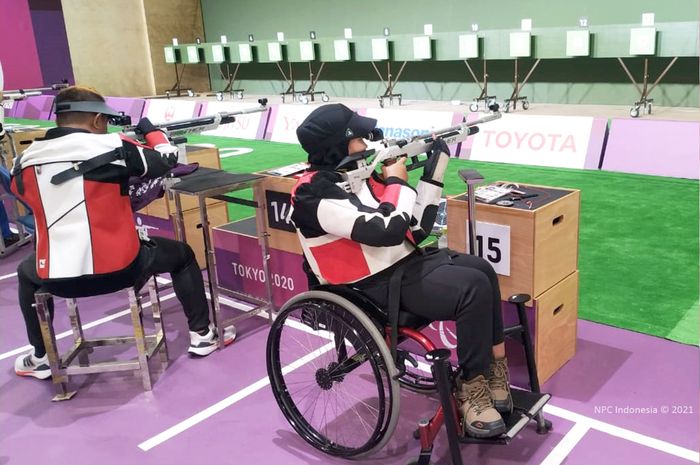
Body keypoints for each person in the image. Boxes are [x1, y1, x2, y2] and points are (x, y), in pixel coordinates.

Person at [291, 103, 511, 438]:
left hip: (401, 267)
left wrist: (434, 170)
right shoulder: (311, 193)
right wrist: (396, 181)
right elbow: (387, 230)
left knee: (482, 270)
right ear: (339, 143)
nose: (366, 142)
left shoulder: (359, 176)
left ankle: (493, 375)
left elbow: (417, 229)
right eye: (358, 138)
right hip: (369, 289)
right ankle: (470, 390)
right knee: (471, 287)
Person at [11, 86, 233, 380]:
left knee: (25, 273)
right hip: (121, 269)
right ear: (95, 121)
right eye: (103, 119)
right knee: (182, 255)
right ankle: (202, 335)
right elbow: (166, 159)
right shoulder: (116, 145)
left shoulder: (24, 160)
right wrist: (152, 132)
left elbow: (24, 192)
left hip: (56, 278)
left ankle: (40, 356)